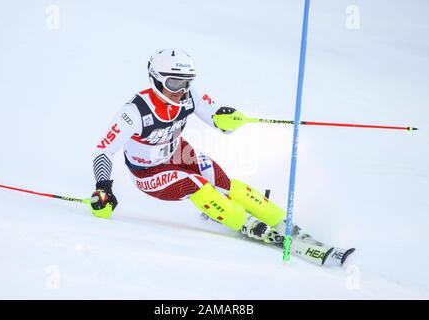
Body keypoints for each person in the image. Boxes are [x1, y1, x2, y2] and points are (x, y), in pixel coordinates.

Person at [89, 48, 354, 266]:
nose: (180, 90)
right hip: (147, 173)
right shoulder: (133, 112)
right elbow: (104, 149)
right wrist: (103, 187)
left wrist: (228, 118)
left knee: (226, 183)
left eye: (185, 82)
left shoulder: (188, 96)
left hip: (179, 152)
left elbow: (217, 117)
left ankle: (281, 221)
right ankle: (248, 225)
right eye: (174, 83)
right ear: (156, 79)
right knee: (196, 184)